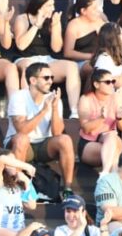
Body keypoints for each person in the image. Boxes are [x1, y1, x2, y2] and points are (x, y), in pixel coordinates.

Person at [4, 61, 75, 196]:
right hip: (19, 145)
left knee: (65, 140)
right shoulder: (19, 97)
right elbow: (22, 130)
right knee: (22, 139)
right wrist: (43, 111)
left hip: (43, 146)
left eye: (52, 78)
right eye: (46, 78)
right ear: (33, 80)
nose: (50, 81)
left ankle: (68, 189)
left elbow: (57, 133)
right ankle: (18, 186)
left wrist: (54, 108)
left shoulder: (54, 99)